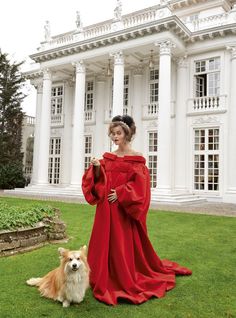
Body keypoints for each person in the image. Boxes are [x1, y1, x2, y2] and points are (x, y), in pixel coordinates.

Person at [82, 115, 192, 305]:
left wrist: (122, 193)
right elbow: (100, 181)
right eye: (113, 133)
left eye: (118, 133)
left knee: (120, 244)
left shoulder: (137, 159)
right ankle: (103, 274)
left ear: (127, 134)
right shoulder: (107, 158)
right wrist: (98, 168)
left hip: (123, 210)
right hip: (105, 208)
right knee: (104, 241)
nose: (115, 137)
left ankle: (122, 275)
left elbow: (141, 187)